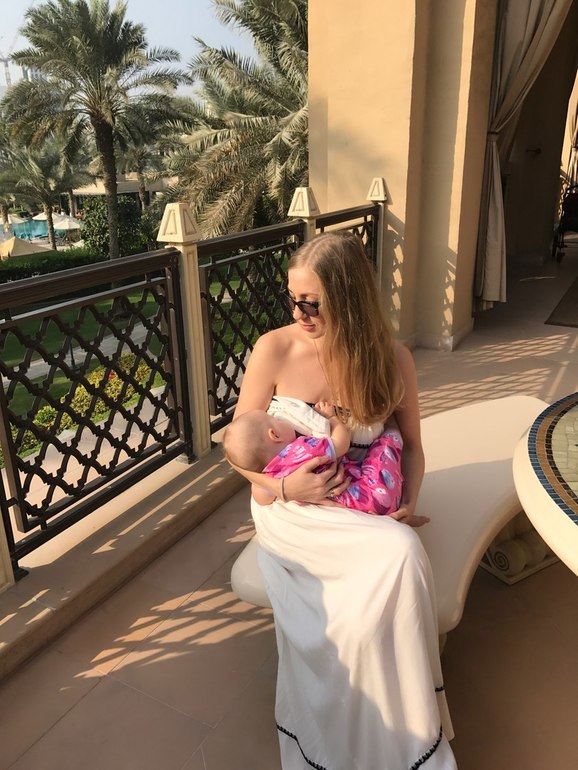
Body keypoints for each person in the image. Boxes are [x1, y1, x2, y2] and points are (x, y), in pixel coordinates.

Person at [232, 231, 456, 769]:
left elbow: (413, 446)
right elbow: (238, 453)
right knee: (382, 576)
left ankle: (399, 737)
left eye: (312, 302)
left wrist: (407, 500)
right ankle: (332, 740)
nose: (299, 313)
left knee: (395, 561)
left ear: (349, 298)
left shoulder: (391, 359)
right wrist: (284, 488)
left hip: (355, 502)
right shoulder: (274, 349)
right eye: (293, 299)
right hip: (289, 510)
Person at [222, 401, 404, 515]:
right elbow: (341, 444)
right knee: (385, 445)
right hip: (373, 492)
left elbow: (261, 497)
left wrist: (279, 488)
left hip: (350, 510)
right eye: (276, 420)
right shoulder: (305, 448)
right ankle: (392, 435)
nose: (281, 421)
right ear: (274, 435)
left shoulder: (271, 475)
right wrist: (332, 418)